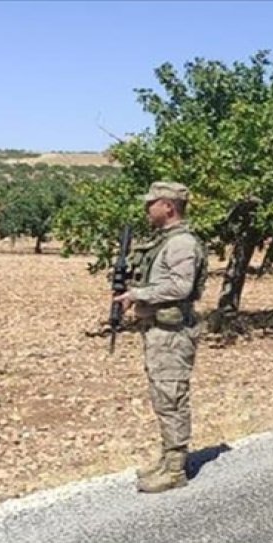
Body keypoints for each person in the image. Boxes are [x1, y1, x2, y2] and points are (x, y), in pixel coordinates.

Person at [113, 182, 208, 493]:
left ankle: (175, 469)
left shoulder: (181, 244)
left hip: (173, 334)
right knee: (162, 395)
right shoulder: (165, 242)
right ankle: (168, 459)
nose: (147, 209)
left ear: (168, 206)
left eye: (151, 203)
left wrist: (139, 294)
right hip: (161, 331)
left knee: (171, 397)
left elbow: (181, 287)